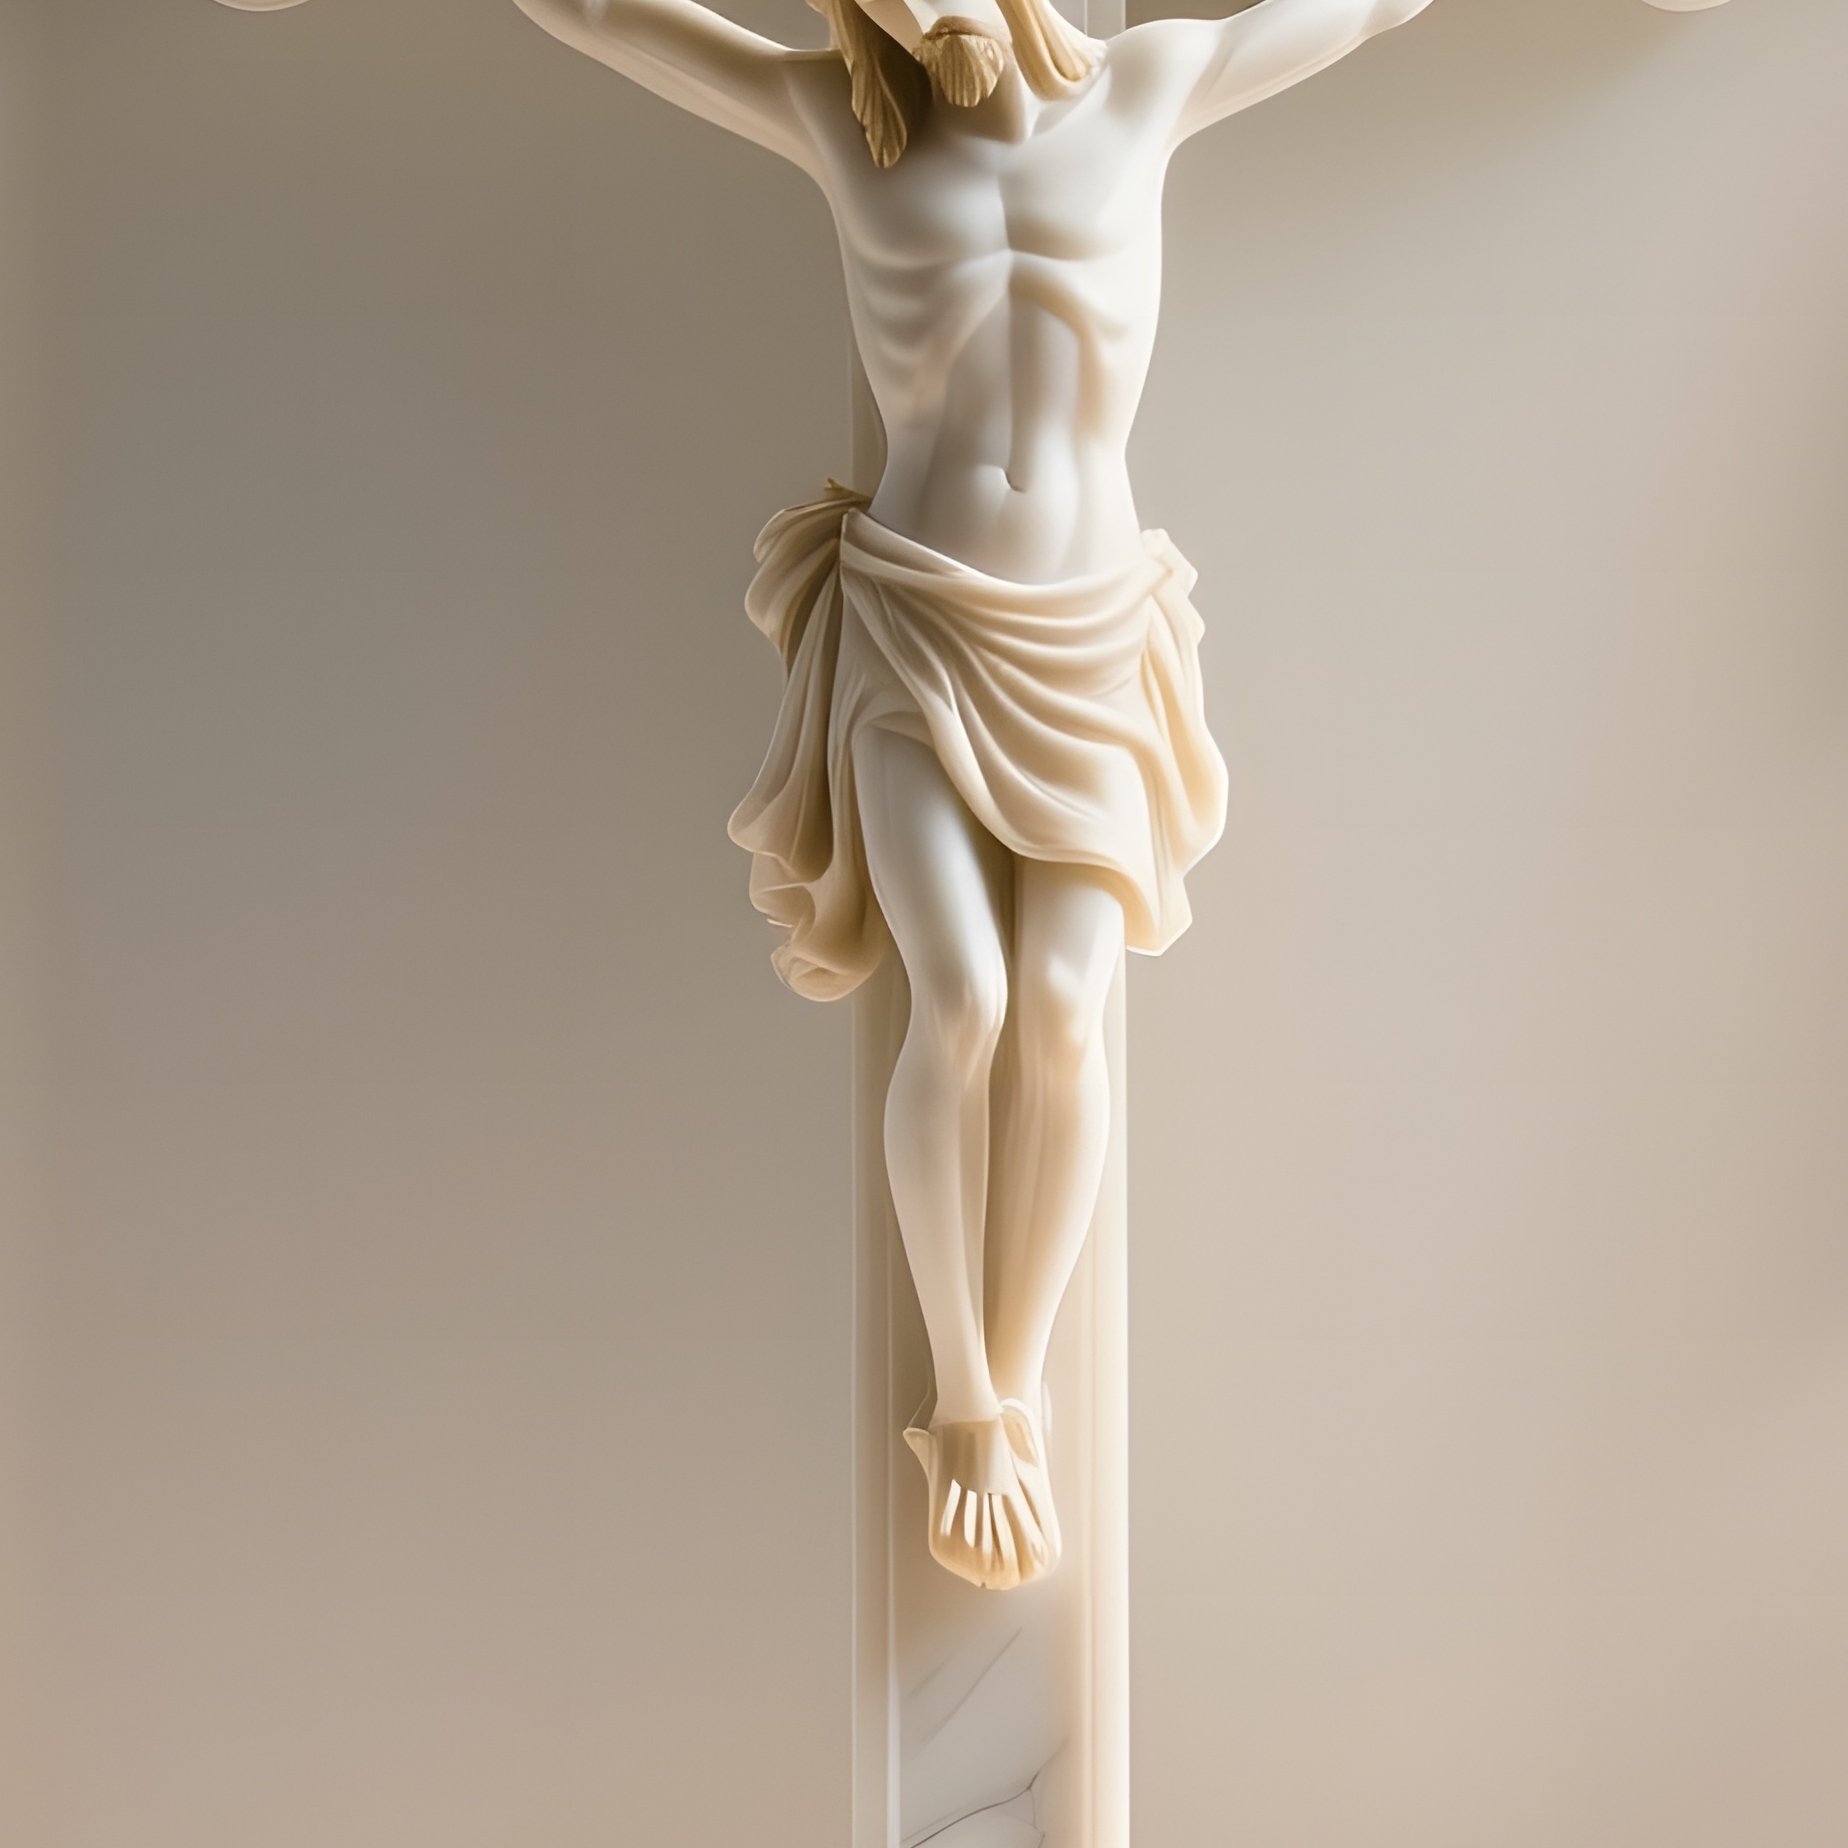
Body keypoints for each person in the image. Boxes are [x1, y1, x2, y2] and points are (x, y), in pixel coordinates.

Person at [510, 0, 1436, 1589]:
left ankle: (1015, 1388)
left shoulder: (1150, 86)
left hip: (1088, 635)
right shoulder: (830, 113)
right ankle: (971, 1397)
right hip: (914, 623)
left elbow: (1347, 11)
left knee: (1065, 1010)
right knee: (962, 999)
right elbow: (610, 18)